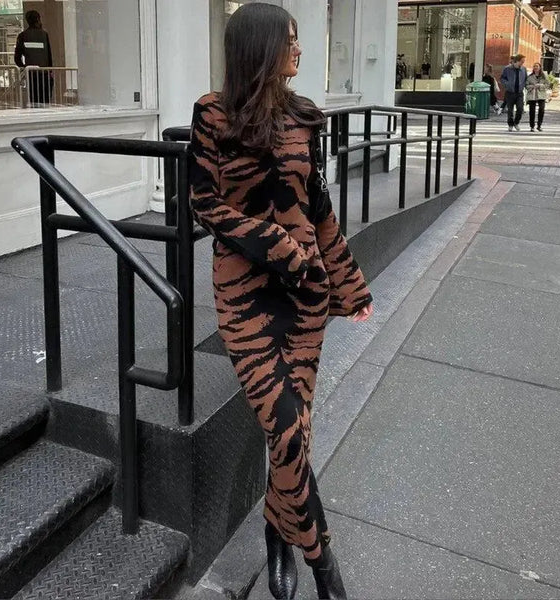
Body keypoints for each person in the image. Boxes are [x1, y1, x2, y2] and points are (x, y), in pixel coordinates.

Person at [189, 4, 373, 599]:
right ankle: (324, 564)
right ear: (260, 47)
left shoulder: (305, 116)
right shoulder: (211, 114)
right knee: (288, 428)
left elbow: (318, 209)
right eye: (289, 41)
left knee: (291, 436)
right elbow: (203, 204)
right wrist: (273, 243)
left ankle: (278, 532)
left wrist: (349, 283)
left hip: (304, 299)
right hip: (244, 297)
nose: (298, 50)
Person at [14, 10, 53, 106]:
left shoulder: (22, 36)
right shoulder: (44, 35)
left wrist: (24, 68)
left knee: (34, 101)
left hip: (31, 74)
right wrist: (50, 71)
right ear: (38, 19)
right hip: (45, 74)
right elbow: (49, 55)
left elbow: (17, 57)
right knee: (45, 102)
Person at [500, 54, 527, 131]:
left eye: (523, 62)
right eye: (522, 61)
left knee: (520, 109)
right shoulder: (507, 69)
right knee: (510, 110)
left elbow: (526, 79)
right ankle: (510, 124)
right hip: (510, 92)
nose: (522, 63)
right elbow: (502, 78)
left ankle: (516, 122)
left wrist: (525, 86)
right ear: (517, 61)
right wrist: (507, 84)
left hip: (519, 92)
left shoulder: (523, 69)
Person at [526, 62, 548, 131]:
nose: (535, 67)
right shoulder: (530, 77)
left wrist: (540, 85)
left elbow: (547, 85)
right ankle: (532, 126)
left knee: (541, 109)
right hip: (532, 95)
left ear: (540, 67)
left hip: (541, 95)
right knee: (532, 111)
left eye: (537, 66)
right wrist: (532, 86)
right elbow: (526, 86)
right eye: (534, 66)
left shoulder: (544, 76)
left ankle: (539, 125)